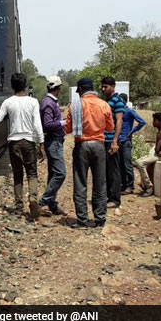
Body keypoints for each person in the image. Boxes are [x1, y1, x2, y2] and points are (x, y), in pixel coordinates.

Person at [0, 73, 45, 219]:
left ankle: (18, 207)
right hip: (29, 141)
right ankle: (33, 199)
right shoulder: (33, 102)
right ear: (25, 85)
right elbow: (37, 125)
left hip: (14, 143)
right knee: (32, 173)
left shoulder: (8, 102)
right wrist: (41, 143)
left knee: (18, 175)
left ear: (12, 86)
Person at [64, 78, 113, 228]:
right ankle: (99, 220)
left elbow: (67, 128)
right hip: (99, 145)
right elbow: (110, 127)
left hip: (81, 145)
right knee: (100, 183)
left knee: (80, 183)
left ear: (80, 90)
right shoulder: (104, 104)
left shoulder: (75, 105)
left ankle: (83, 220)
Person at [38, 76, 67, 216]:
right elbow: (48, 124)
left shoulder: (50, 102)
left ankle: (52, 205)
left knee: (53, 174)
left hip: (55, 141)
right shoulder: (48, 103)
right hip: (53, 141)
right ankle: (44, 202)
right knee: (61, 173)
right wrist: (63, 123)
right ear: (58, 88)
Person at [100, 77, 125, 212]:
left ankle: (115, 199)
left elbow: (119, 121)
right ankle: (108, 196)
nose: (103, 89)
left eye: (106, 87)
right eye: (102, 87)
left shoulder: (117, 101)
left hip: (111, 140)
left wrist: (115, 140)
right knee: (106, 170)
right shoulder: (107, 101)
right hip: (104, 139)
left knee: (114, 170)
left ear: (113, 86)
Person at [133, 112, 161, 197]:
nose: (153, 122)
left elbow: (157, 149)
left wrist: (157, 151)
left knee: (140, 163)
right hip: (160, 154)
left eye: (155, 120)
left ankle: (149, 187)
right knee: (138, 162)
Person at [118, 93, 146, 195]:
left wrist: (132, 132)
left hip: (126, 141)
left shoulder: (129, 111)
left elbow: (142, 122)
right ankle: (123, 185)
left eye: (121, 100)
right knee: (120, 164)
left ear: (125, 101)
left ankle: (130, 185)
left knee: (127, 164)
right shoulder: (117, 112)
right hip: (118, 141)